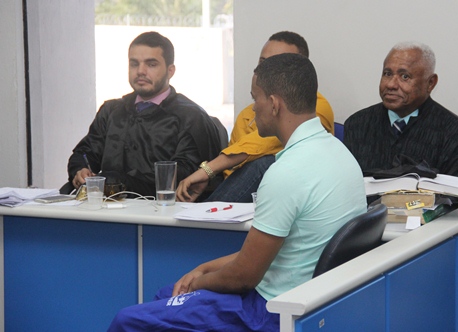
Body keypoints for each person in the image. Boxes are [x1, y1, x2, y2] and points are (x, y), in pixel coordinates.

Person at [107, 53, 367, 331]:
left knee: (129, 320)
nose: (253, 109)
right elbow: (268, 253)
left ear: (275, 104)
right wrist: (205, 268)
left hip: (270, 312)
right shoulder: (340, 154)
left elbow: (244, 276)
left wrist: (198, 281)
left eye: (256, 98)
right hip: (314, 301)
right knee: (166, 295)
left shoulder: (287, 173)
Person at [176, 31, 334, 203]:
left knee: (266, 163)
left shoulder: (315, 106)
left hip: (294, 198)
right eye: (263, 63)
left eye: (277, 64)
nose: (266, 71)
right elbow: (235, 177)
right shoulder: (247, 115)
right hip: (246, 203)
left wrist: (209, 169)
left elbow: (264, 145)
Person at [65, 31, 222, 197]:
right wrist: (81, 170)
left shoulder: (191, 117)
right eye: (134, 64)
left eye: (151, 64)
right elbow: (85, 153)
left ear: (170, 71)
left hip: (162, 211)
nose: (140, 71)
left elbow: (184, 175)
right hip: (106, 208)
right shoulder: (112, 111)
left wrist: (120, 182)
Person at [344, 42, 458, 179]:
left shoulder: (455, 135)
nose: (391, 84)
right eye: (387, 74)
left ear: (430, 83)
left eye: (404, 77)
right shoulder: (357, 125)